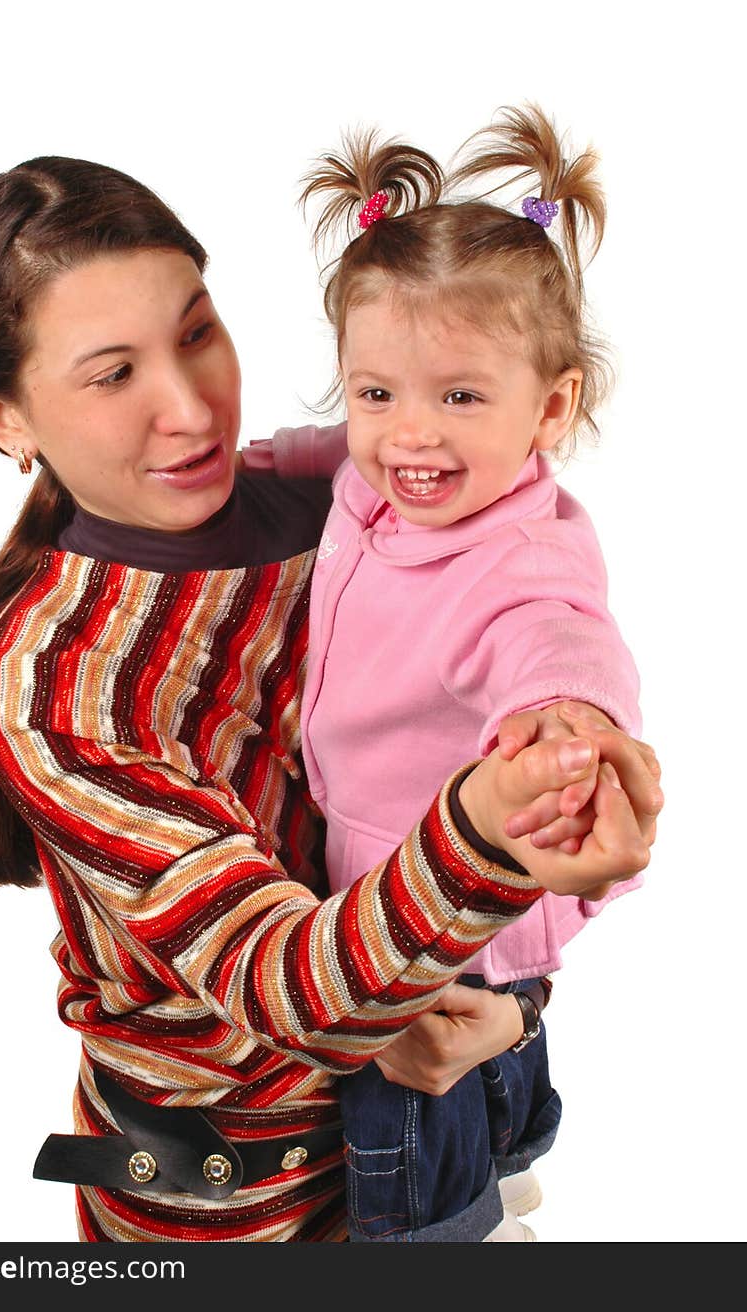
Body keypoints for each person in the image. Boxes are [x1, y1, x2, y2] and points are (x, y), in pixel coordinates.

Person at [0, 153, 659, 1243]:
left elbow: (536, 605)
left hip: (438, 1116)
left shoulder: (341, 493)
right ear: (3, 417)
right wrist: (486, 828)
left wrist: (508, 1005)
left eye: (194, 332)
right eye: (111, 374)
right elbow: (294, 986)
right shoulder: (57, 692)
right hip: (236, 1204)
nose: (187, 410)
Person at [242, 105, 656, 1242]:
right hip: (404, 901)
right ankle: (508, 1171)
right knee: (496, 1108)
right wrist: (234, 470)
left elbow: (560, 637)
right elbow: (319, 458)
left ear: (553, 406)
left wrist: (562, 718)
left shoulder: (521, 556)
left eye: (460, 397)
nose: (408, 434)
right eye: (375, 392)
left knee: (412, 1177)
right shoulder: (379, 480)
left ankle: (465, 1225)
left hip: (434, 939)